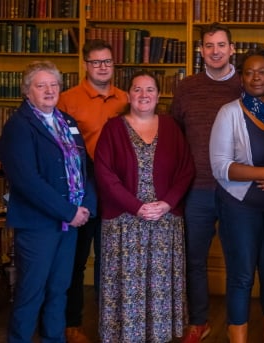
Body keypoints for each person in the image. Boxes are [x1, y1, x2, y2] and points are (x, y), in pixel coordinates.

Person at [94, 71, 195, 342]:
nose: (143, 95)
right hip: (124, 223)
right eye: (137, 90)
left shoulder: (172, 127)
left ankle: (159, 335)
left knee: (158, 285)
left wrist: (167, 203)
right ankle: (126, 335)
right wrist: (135, 206)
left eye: (149, 89)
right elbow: (104, 173)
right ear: (128, 95)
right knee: (127, 285)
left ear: (158, 95)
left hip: (164, 221)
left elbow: (186, 170)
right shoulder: (113, 128)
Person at [0, 60, 96, 343]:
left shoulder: (68, 122)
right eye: (41, 85)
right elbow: (27, 181)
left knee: (59, 289)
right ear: (27, 91)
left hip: (71, 223)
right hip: (38, 226)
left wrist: (85, 207)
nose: (49, 90)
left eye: (54, 84)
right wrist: (68, 211)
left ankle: (55, 338)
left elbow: (85, 168)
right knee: (32, 291)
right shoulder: (18, 126)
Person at [209, 49, 264, 343]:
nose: (256, 77)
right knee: (242, 277)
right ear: (241, 77)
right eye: (249, 72)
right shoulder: (229, 112)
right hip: (239, 207)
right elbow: (219, 166)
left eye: (262, 72)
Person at [171, 22, 242, 343]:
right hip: (197, 189)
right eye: (209, 46)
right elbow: (173, 137)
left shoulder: (246, 85)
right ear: (201, 51)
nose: (215, 51)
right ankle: (199, 321)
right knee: (194, 259)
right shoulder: (186, 88)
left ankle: (237, 323)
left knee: (239, 260)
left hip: (237, 191)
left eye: (221, 45)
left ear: (232, 49)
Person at [56, 38, 129, 343]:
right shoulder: (67, 100)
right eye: (96, 62)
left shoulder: (125, 98)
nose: (102, 67)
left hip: (118, 189)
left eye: (107, 62)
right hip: (82, 190)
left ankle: (108, 322)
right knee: (77, 259)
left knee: (111, 260)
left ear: (114, 65)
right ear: (85, 64)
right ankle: (72, 323)